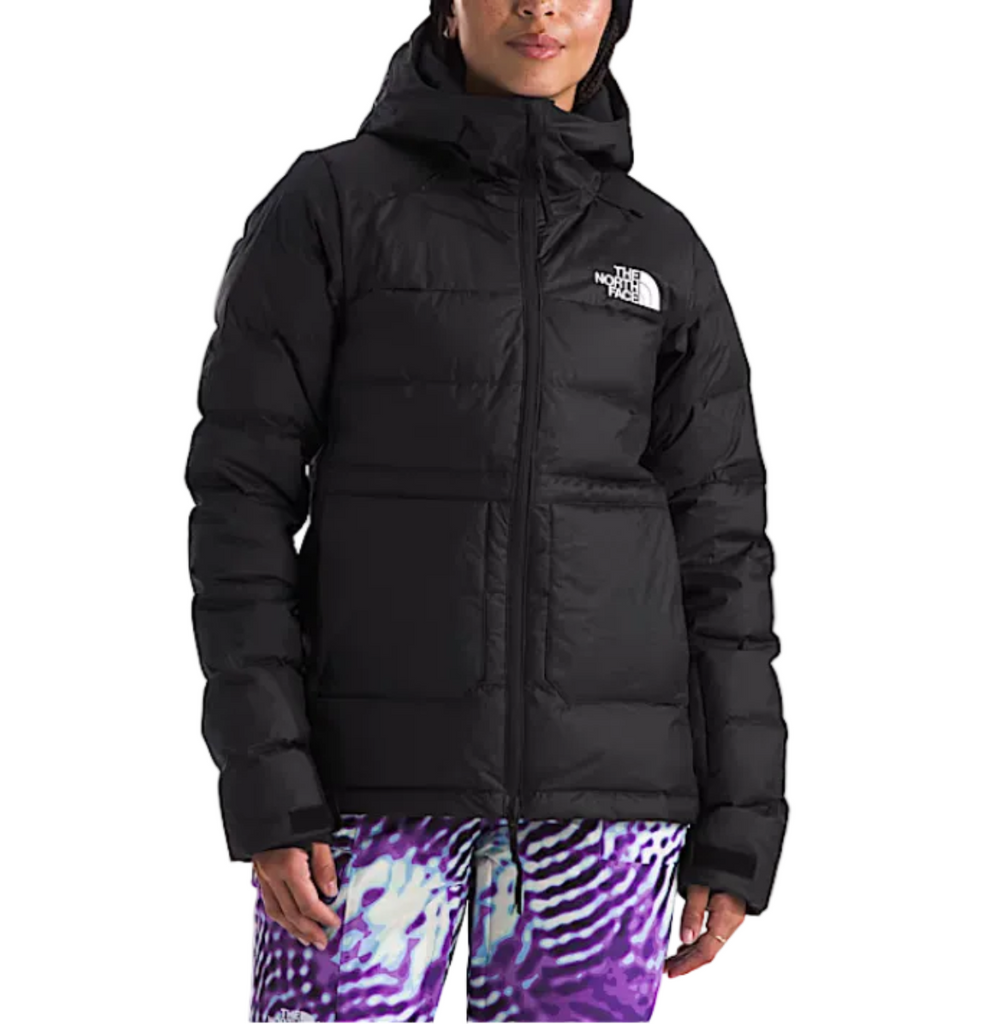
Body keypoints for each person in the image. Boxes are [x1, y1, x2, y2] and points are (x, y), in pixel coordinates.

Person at [184, 2, 789, 1021]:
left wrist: (740, 820)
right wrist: (269, 783)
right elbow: (240, 504)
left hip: (606, 814)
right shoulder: (332, 208)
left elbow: (723, 551)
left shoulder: (661, 248)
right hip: (362, 794)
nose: (540, 7)